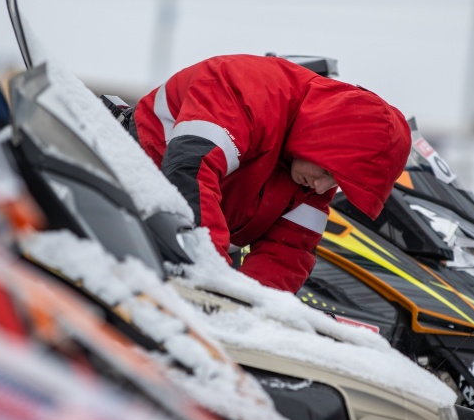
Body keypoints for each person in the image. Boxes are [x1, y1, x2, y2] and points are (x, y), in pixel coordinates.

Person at [133, 54, 411, 293]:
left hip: (186, 241)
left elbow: (288, 253)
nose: (321, 186)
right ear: (321, 139)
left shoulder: (310, 175)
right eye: (327, 171)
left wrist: (247, 309)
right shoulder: (246, 87)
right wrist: (211, 277)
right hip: (127, 199)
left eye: (336, 180)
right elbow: (190, 173)